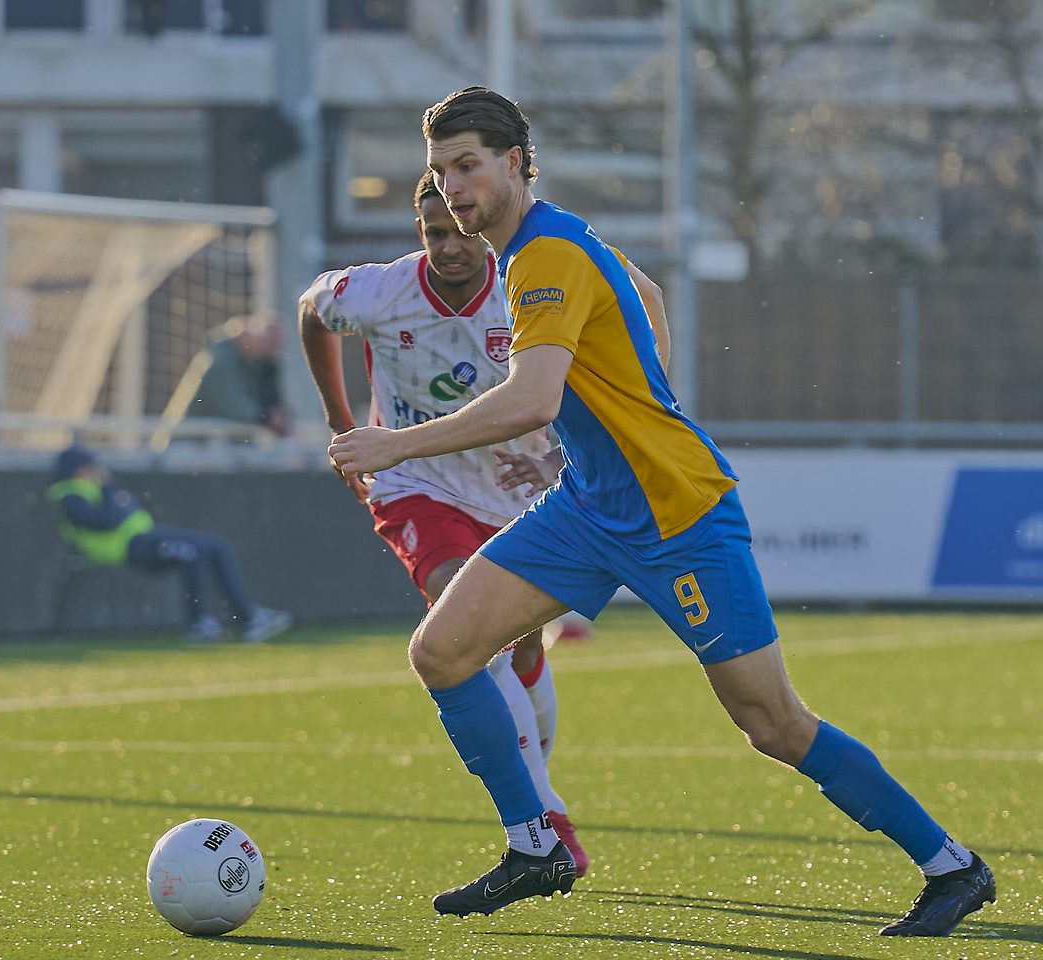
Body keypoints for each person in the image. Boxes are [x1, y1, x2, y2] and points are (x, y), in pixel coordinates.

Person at [330, 87, 994, 935]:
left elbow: (532, 400)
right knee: (443, 651)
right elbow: (645, 295)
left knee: (771, 723)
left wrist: (396, 445)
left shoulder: (543, 255)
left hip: (676, 514)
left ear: (517, 163)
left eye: (468, 166)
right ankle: (536, 843)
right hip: (587, 507)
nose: (453, 188)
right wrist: (635, 398)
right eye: (440, 171)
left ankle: (952, 866)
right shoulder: (548, 241)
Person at [300, 169, 673, 876]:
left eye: (459, 232)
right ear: (419, 231)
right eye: (434, 232)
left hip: (514, 488)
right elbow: (311, 311)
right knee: (464, 625)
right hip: (415, 484)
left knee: (523, 649)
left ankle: (538, 792)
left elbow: (642, 300)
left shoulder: (530, 279)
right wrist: (340, 422)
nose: (450, 246)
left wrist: (574, 445)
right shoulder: (378, 292)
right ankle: (545, 819)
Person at [47, 445, 292, 644]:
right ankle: (199, 624)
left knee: (215, 545)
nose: (94, 471)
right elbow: (105, 520)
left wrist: (115, 500)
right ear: (77, 468)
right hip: (130, 548)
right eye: (88, 466)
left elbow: (120, 510)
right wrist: (109, 489)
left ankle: (248, 617)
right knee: (192, 552)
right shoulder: (70, 493)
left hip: (146, 537)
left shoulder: (90, 489)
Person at [190, 315, 290, 435]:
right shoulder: (221, 362)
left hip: (209, 437)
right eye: (265, 342)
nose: (269, 352)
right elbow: (234, 409)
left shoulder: (249, 364)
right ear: (246, 337)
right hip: (190, 437)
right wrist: (267, 418)